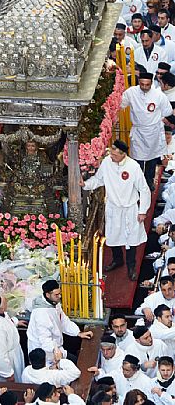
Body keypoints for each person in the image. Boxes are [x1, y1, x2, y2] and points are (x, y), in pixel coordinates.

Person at [80, 139, 151, 280]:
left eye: (115, 155)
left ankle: (131, 267)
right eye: (111, 153)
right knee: (113, 236)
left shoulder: (133, 167)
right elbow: (99, 180)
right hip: (113, 207)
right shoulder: (107, 162)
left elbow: (144, 189)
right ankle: (117, 260)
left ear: (123, 154)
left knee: (131, 239)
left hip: (129, 209)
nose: (111, 156)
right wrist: (85, 184)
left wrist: (142, 211)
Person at [121, 72, 173, 190]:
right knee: (137, 160)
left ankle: (149, 182)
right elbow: (120, 104)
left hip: (153, 131)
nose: (144, 87)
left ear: (151, 83)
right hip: (138, 131)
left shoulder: (159, 95)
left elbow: (167, 111)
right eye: (142, 84)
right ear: (139, 82)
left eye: (147, 85)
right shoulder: (131, 92)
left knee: (152, 159)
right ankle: (137, 184)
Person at [27, 280, 93, 362]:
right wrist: (56, 350)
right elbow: (45, 340)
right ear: (47, 295)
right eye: (56, 295)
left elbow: (63, 320)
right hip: (45, 352)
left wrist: (78, 333)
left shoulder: (54, 302)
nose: (60, 296)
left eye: (59, 293)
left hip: (56, 347)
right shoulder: (41, 314)